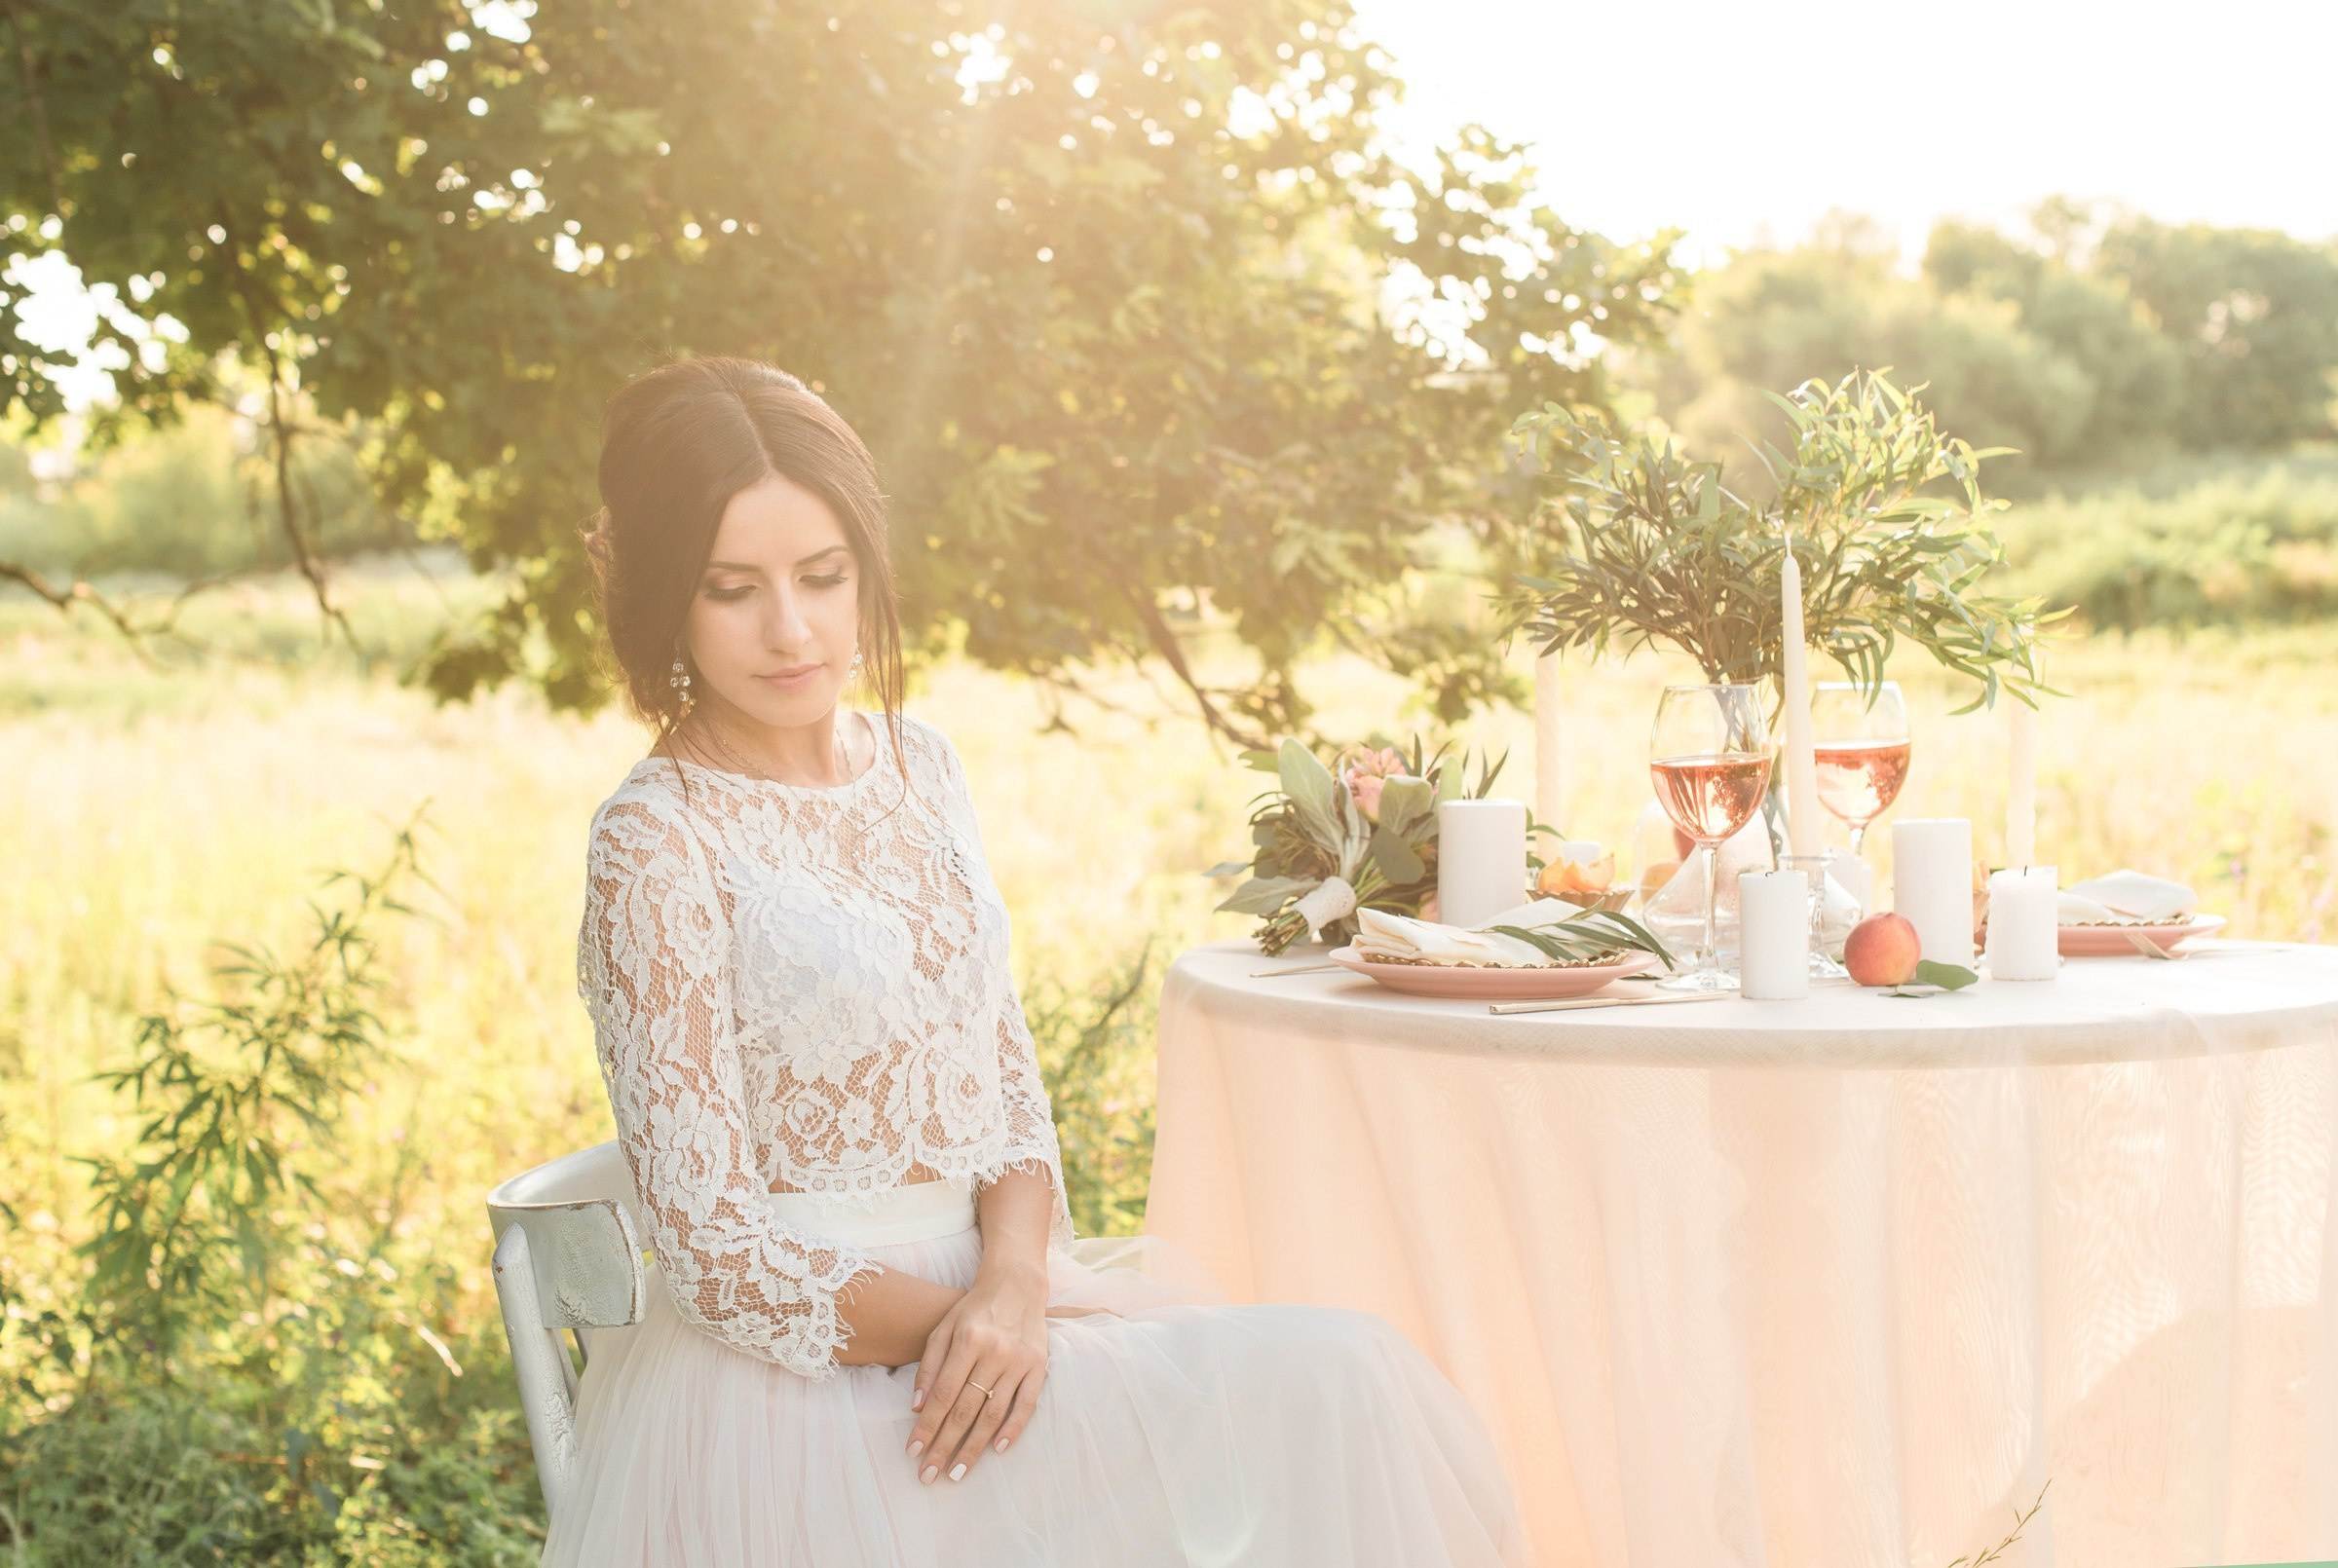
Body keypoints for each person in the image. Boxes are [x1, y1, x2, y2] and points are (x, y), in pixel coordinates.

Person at [547, 355, 1532, 1566]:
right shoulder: (656, 838)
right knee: (1318, 1387)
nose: (792, 629)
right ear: (666, 598)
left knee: (1344, 1380)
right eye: (731, 588)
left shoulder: (923, 767)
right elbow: (716, 1254)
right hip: (805, 1385)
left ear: (866, 567)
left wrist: (1017, 1287)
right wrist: (978, 1330)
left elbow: (1004, 1086)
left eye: (822, 575)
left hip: (1006, 1317)